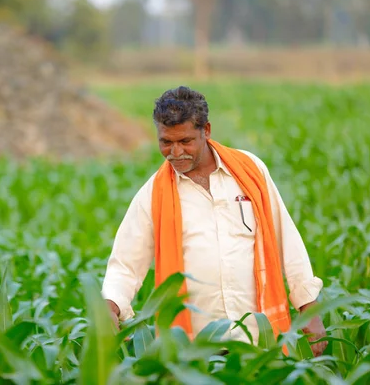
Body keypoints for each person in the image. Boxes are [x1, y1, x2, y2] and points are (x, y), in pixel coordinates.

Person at [101, 86, 328, 356]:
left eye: (185, 141)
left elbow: (286, 240)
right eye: (166, 142)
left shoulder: (250, 171)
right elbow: (126, 264)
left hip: (260, 339)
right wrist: (110, 308)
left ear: (206, 131)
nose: (175, 152)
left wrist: (309, 308)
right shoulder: (154, 194)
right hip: (195, 348)